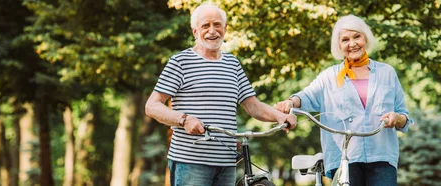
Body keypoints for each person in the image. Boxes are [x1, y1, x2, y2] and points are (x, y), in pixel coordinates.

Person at [144, 3, 297, 186]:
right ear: (195, 32)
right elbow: (152, 106)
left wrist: (280, 116)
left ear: (225, 29)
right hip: (191, 162)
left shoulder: (232, 64)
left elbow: (253, 106)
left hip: (226, 162)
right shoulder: (180, 62)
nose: (212, 31)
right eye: (205, 26)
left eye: (217, 25)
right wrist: (183, 119)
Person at [274, 15, 413, 186]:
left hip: (382, 157)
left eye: (357, 36)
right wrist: (290, 102)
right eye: (345, 39)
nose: (352, 43)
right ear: (339, 46)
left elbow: (404, 117)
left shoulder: (387, 73)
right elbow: (306, 95)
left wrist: (397, 118)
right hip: (344, 158)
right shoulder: (330, 76)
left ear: (365, 37)